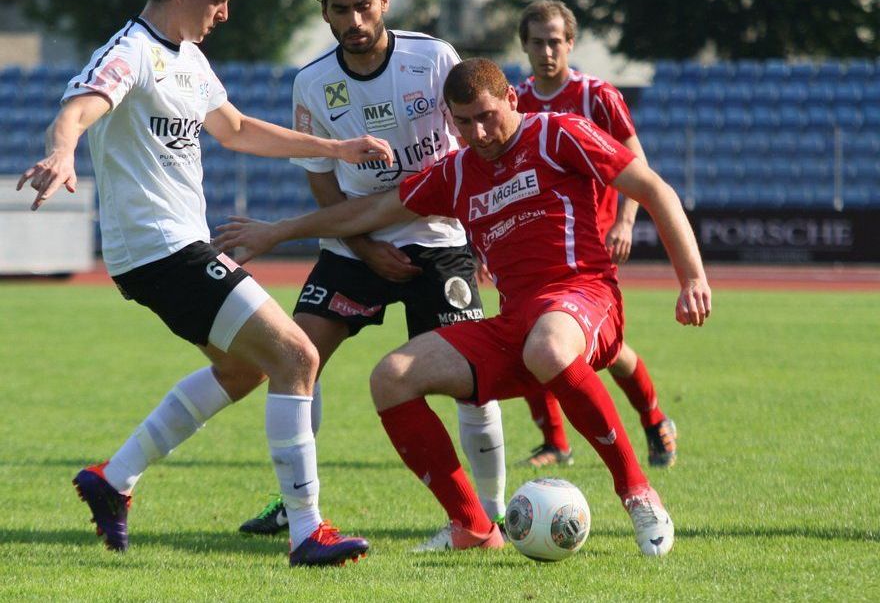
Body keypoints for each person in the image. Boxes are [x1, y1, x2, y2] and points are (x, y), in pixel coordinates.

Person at [213, 58, 712, 556]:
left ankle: (638, 492)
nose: (479, 132)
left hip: (583, 294)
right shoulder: (454, 172)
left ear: (512, 100)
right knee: (391, 377)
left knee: (547, 345)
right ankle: (473, 525)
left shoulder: (559, 134)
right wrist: (276, 232)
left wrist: (691, 278)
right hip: (517, 321)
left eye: (488, 115)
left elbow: (653, 188)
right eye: (463, 121)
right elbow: (366, 211)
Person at [16, 0, 393, 567]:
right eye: (218, 0)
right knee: (297, 353)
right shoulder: (130, 51)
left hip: (175, 248)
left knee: (248, 369)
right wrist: (62, 151)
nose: (223, 14)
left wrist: (340, 147)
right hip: (160, 250)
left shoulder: (189, 59)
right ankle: (306, 531)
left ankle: (113, 480)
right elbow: (79, 107)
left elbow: (238, 130)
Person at [235, 0, 508, 552]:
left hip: (438, 242)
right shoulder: (311, 83)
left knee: (471, 382)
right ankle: (297, 505)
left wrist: (482, 232)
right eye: (342, 10)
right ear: (327, 17)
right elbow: (321, 179)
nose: (356, 19)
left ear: (383, 2)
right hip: (354, 244)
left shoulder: (433, 58)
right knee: (294, 356)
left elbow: (473, 143)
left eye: (364, 5)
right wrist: (362, 245)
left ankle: (492, 514)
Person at [513, 0, 678, 469]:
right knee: (528, 342)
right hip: (532, 246)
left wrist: (626, 222)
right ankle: (554, 441)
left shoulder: (597, 96)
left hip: (588, 248)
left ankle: (652, 418)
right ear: (524, 45)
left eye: (556, 42)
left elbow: (635, 163)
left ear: (570, 43)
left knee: (609, 353)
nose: (547, 51)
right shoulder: (514, 103)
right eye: (538, 42)